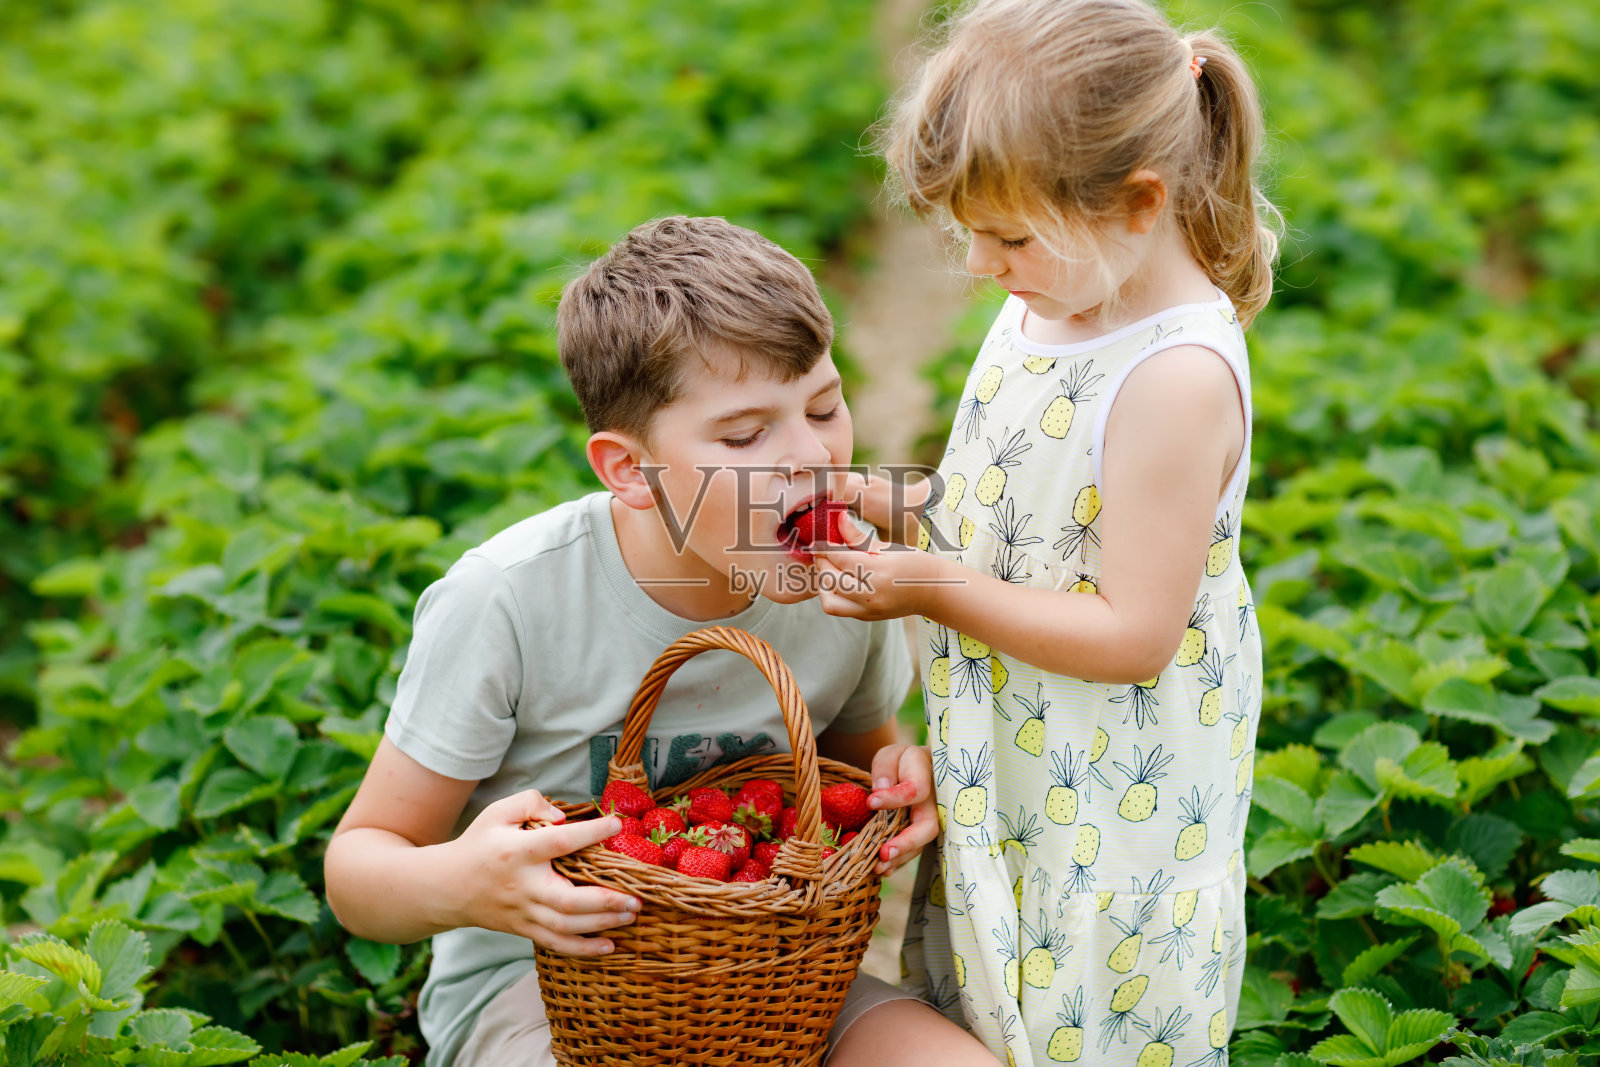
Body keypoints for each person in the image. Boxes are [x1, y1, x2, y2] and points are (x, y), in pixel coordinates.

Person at [323, 216, 994, 1067]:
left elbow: (850, 775)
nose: (809, 456)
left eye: (825, 407)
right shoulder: (510, 599)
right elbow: (358, 870)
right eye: (746, 435)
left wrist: (899, 787)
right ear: (630, 471)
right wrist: (469, 882)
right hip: (549, 985)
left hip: (775, 979)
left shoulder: (848, 586)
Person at [814, 0, 1280, 1061]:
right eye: (970, 232)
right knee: (1000, 973)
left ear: (1136, 203)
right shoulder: (1053, 294)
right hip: (1025, 742)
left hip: (1118, 783)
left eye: (1007, 235)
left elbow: (1132, 633)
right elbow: (1016, 503)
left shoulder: (1171, 377)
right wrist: (876, 498)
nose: (981, 263)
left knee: (1086, 999)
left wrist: (929, 586)